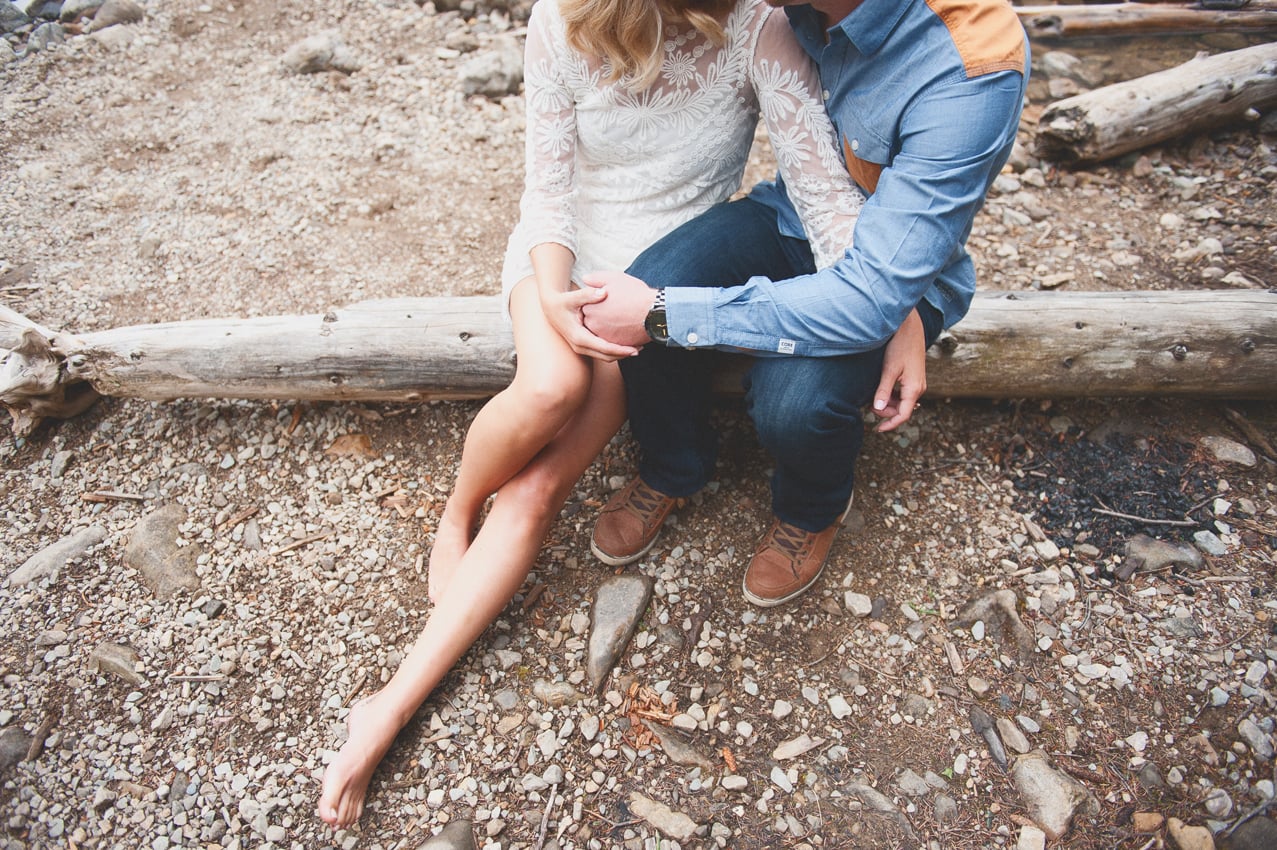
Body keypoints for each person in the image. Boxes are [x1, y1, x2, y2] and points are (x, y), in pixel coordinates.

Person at [317, 0, 909, 827]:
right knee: (548, 389)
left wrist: (894, 310)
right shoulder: (558, 18)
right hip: (557, 258)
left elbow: (820, 194)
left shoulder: (756, 28)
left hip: (648, 293)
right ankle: (455, 511)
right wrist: (556, 300)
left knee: (539, 492)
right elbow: (546, 191)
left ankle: (384, 709)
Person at [582, 0, 1029, 607]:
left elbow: (869, 292)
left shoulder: (973, 70)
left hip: (900, 269)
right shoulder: (786, 8)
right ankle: (673, 464)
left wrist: (666, 313)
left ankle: (813, 507)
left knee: (794, 402)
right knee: (649, 280)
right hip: (793, 215)